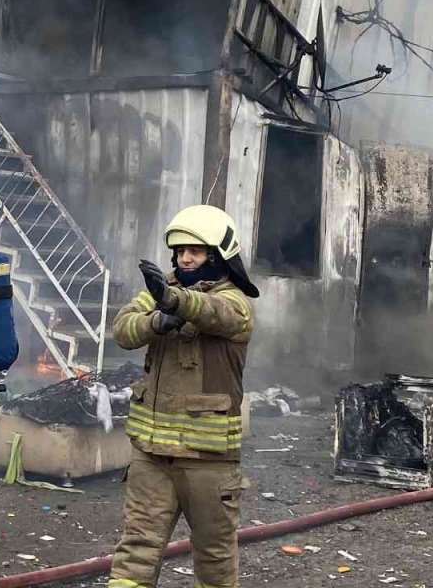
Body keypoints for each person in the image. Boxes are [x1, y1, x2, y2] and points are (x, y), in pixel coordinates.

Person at [107, 204, 260, 588]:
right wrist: (157, 319)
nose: (185, 258)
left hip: (208, 462)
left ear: (218, 253)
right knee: (135, 552)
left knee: (214, 558)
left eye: (196, 250)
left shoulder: (236, 302)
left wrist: (176, 303)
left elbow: (212, 313)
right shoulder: (162, 291)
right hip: (151, 455)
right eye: (180, 251)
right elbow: (124, 331)